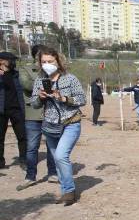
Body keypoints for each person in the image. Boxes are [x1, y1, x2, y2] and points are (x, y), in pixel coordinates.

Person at [31, 46, 86, 206]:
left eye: (50, 61)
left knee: (61, 155)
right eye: (44, 61)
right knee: (57, 159)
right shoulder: (39, 80)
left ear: (58, 61)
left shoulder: (70, 78)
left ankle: (69, 191)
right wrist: (40, 98)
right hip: (50, 126)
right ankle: (65, 191)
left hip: (71, 123)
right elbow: (34, 104)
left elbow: (82, 99)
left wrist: (63, 98)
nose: (47, 64)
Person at [16, 45, 57, 190]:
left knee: (51, 146)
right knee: (32, 147)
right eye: (42, 55)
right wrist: (46, 85)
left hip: (51, 112)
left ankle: (53, 173)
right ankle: (30, 176)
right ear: (37, 56)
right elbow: (26, 85)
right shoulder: (25, 69)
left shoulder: (53, 70)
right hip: (33, 114)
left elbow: (60, 85)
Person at [0, 51, 27, 170]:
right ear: (2, 61)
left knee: (22, 136)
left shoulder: (16, 74)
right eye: (11, 60)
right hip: (1, 111)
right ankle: (1, 162)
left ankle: (23, 160)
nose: (13, 62)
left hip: (16, 109)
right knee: (1, 137)